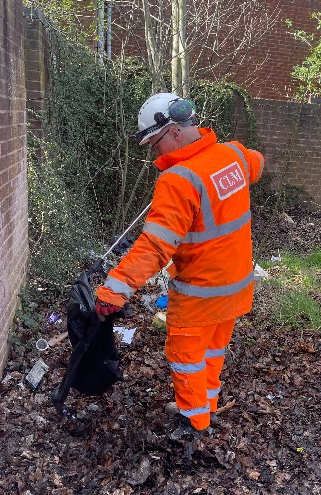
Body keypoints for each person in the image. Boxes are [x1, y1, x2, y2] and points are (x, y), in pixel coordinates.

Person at [94, 93, 265, 442]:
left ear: (172, 132)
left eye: (155, 144)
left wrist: (115, 289)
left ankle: (194, 427)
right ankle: (207, 406)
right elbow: (257, 164)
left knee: (185, 356)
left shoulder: (178, 180)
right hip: (236, 286)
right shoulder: (233, 153)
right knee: (213, 351)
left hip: (200, 292)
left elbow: (155, 246)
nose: (156, 154)